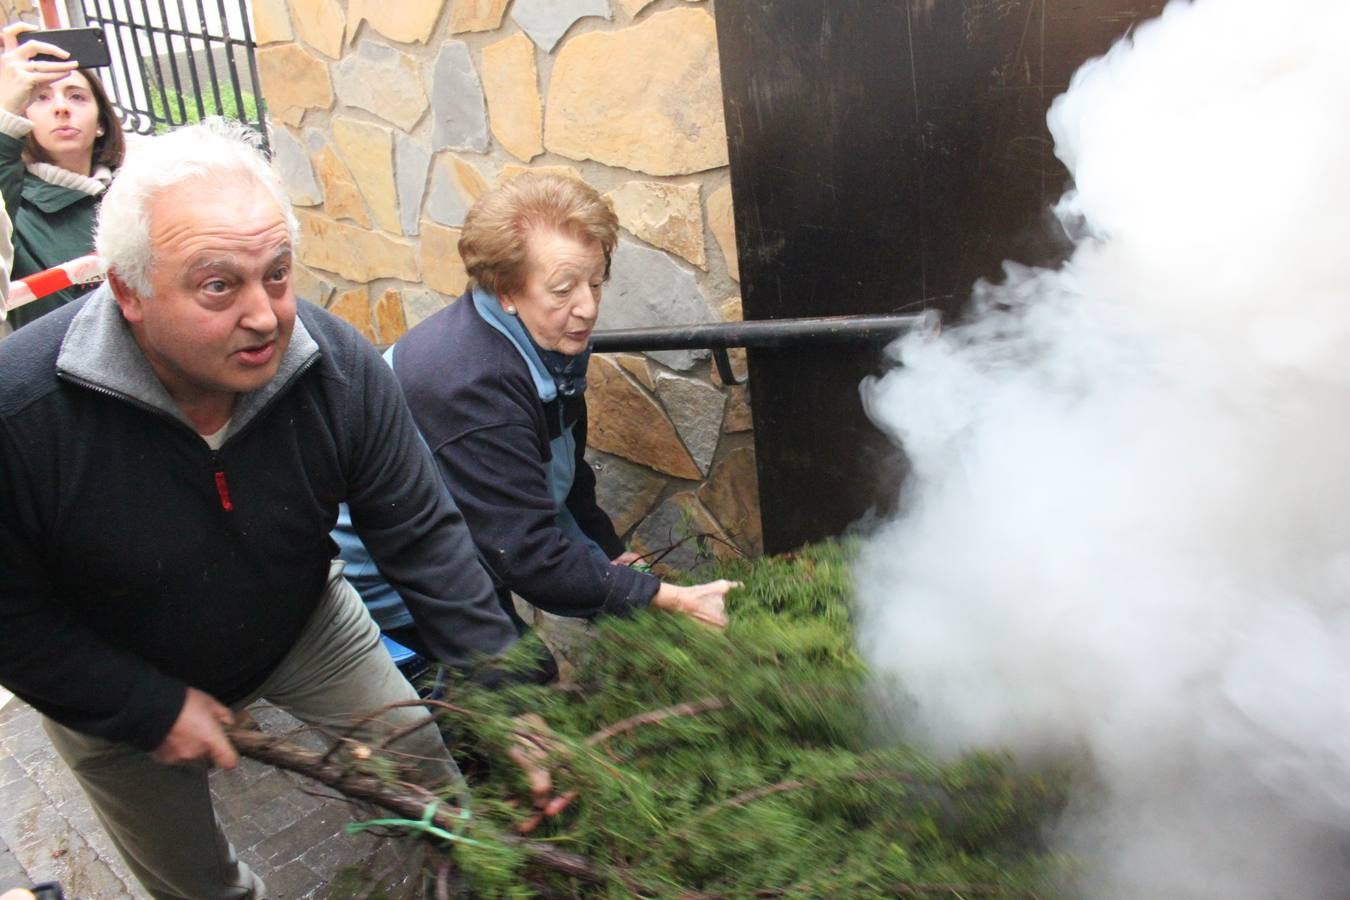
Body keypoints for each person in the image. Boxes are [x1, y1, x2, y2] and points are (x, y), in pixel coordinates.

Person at [0, 119, 520, 899]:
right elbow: (9, 616)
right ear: (128, 292)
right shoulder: (20, 413)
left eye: (277, 274)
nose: (266, 315)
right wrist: (141, 705)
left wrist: (510, 696)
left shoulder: (337, 369)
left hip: (304, 626)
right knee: (199, 887)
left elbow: (425, 540)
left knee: (433, 795)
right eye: (219, 285)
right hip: (110, 677)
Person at [335, 173, 735, 664]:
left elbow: (560, 476)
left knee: (528, 678)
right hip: (392, 593)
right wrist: (662, 598)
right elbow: (525, 555)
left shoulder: (543, 342)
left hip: (466, 549)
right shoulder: (471, 384)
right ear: (505, 288)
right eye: (564, 288)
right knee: (505, 701)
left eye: (595, 282)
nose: (587, 308)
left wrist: (607, 556)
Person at [0, 22, 124, 329]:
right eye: (41, 97)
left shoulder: (136, 195)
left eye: (77, 96)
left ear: (101, 123)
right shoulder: (13, 211)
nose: (61, 108)